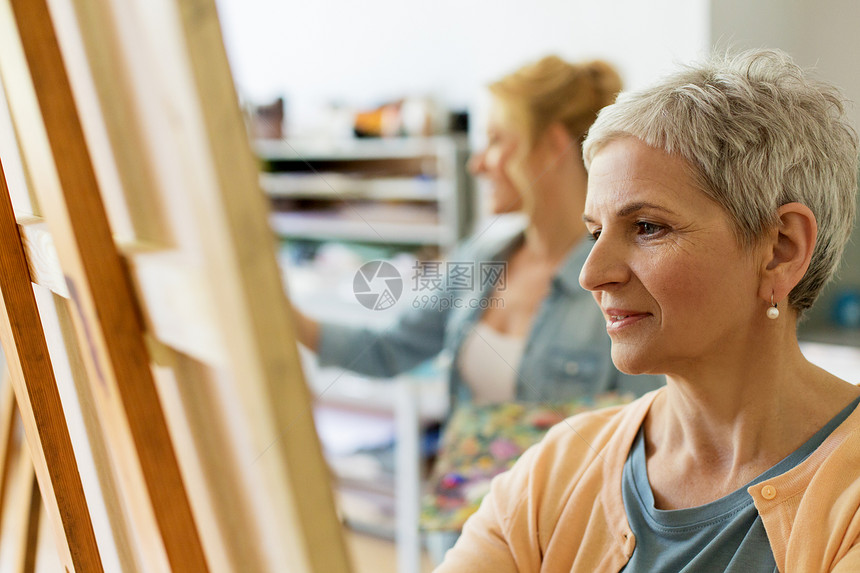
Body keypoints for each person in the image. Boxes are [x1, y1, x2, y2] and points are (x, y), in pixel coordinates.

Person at [435, 48, 860, 572]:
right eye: (595, 232)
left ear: (781, 249)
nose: (592, 274)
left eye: (647, 227)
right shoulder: (557, 468)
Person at [292, 55, 663, 560]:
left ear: (553, 145)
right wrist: (276, 317)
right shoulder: (482, 257)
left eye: (495, 140)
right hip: (463, 538)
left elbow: (650, 442)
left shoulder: (621, 280)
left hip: (564, 546)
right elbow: (390, 347)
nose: (477, 162)